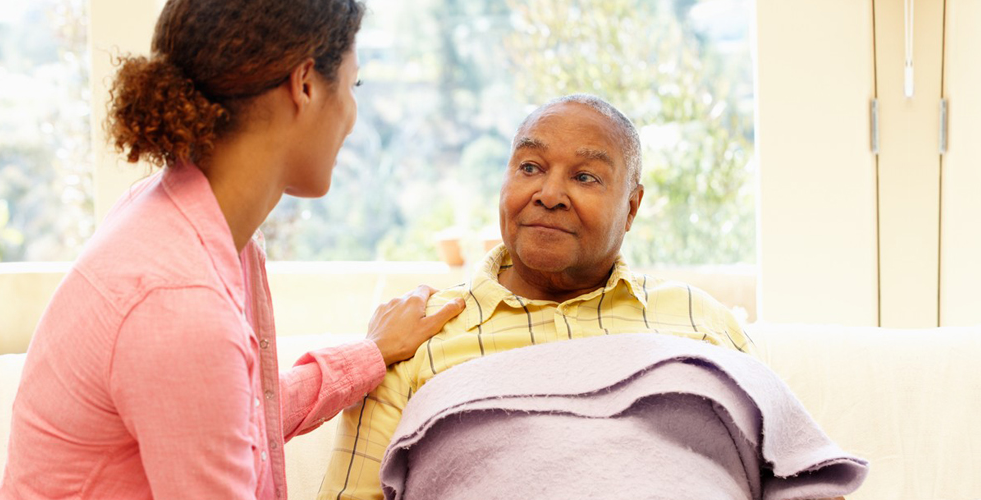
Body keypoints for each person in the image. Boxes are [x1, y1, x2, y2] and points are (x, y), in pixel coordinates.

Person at [0, 1, 464, 498]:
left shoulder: (187, 220)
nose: (352, 115)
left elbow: (237, 417)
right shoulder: (178, 301)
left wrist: (371, 354)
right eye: (353, 86)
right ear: (304, 85)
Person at [317, 95, 756, 500]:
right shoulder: (413, 337)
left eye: (585, 177)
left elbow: (788, 472)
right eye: (530, 168)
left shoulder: (703, 323)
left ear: (631, 209)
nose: (548, 195)